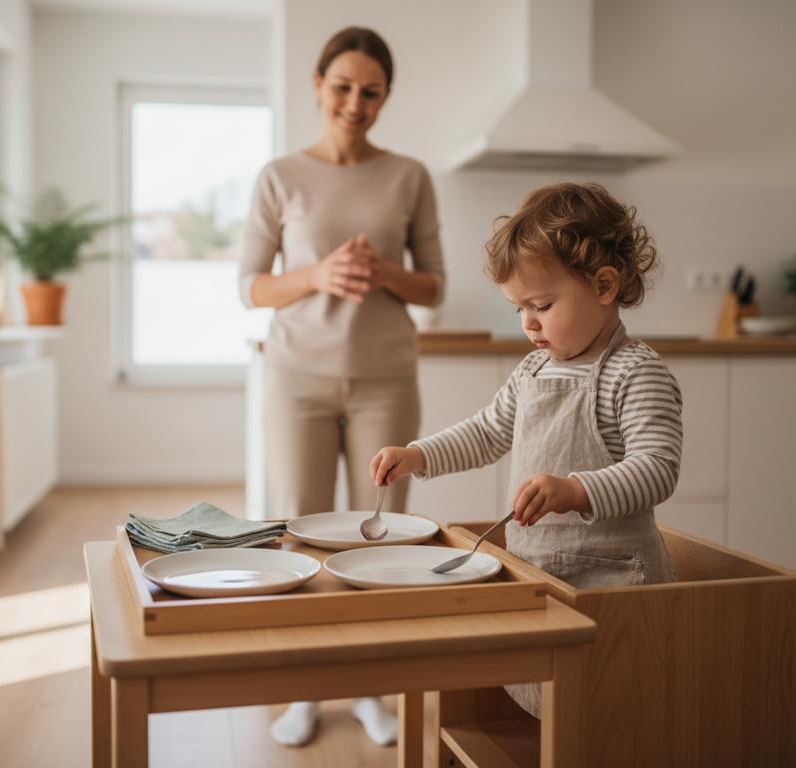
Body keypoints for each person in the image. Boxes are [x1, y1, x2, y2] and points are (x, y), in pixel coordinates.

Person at [370, 182, 682, 716]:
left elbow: (657, 470)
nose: (528, 324)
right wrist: (419, 454)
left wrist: (575, 489)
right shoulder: (532, 370)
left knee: (614, 709)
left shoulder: (637, 372)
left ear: (605, 285)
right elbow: (488, 431)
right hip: (542, 574)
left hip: (615, 585)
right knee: (556, 709)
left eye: (541, 304)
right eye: (518, 309)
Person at [239, 26, 445, 747]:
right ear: (318, 85)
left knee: (378, 537)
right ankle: (304, 690)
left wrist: (384, 271)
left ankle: (366, 689)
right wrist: (318, 275)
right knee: (299, 533)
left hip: (387, 381)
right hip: (296, 379)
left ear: (385, 98)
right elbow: (250, 286)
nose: (355, 103)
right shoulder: (280, 175)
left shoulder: (409, 176)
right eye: (343, 88)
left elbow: (436, 284)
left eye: (371, 92)